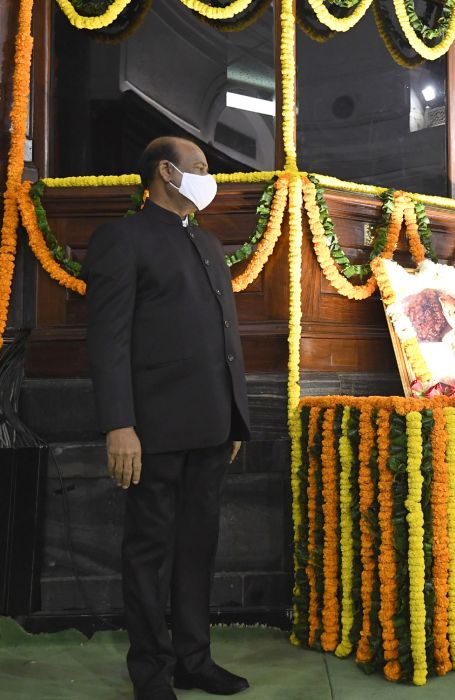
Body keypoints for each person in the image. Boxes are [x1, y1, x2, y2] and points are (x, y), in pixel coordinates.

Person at [85, 136, 252, 699]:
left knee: (198, 549)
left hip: (211, 427)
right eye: (201, 169)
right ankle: (151, 674)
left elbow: (225, 341)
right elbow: (108, 342)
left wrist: (234, 417)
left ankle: (193, 660)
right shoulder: (122, 239)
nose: (211, 178)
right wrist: (118, 424)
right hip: (151, 431)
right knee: (149, 554)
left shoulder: (205, 241)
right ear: (165, 171)